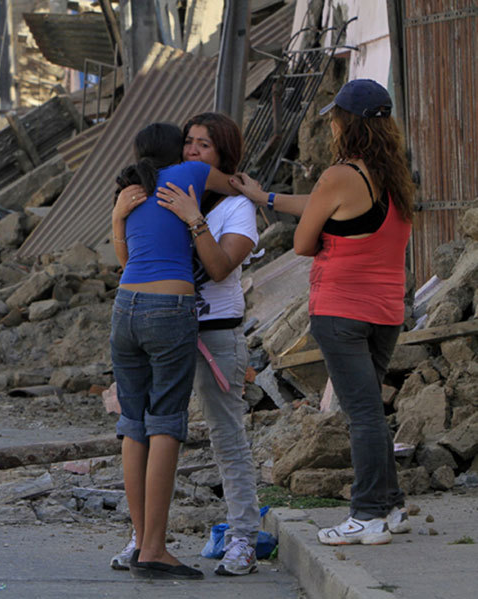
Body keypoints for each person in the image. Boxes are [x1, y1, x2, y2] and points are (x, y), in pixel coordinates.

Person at [231, 79, 415, 546]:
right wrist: (265, 197)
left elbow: (303, 241)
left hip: (341, 310)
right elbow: (326, 210)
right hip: (386, 310)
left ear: (344, 123)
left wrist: (310, 230)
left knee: (362, 412)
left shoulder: (339, 174)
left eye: (334, 117)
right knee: (370, 406)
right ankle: (390, 506)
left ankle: (368, 514)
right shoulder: (393, 174)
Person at [110, 122, 236, 581]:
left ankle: (140, 542)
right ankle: (155, 549)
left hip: (125, 306)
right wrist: (257, 194)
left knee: (133, 422)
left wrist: (117, 217)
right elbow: (234, 182)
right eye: (187, 144)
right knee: (165, 423)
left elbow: (125, 261)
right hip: (170, 308)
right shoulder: (190, 174)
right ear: (177, 152)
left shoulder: (130, 190)